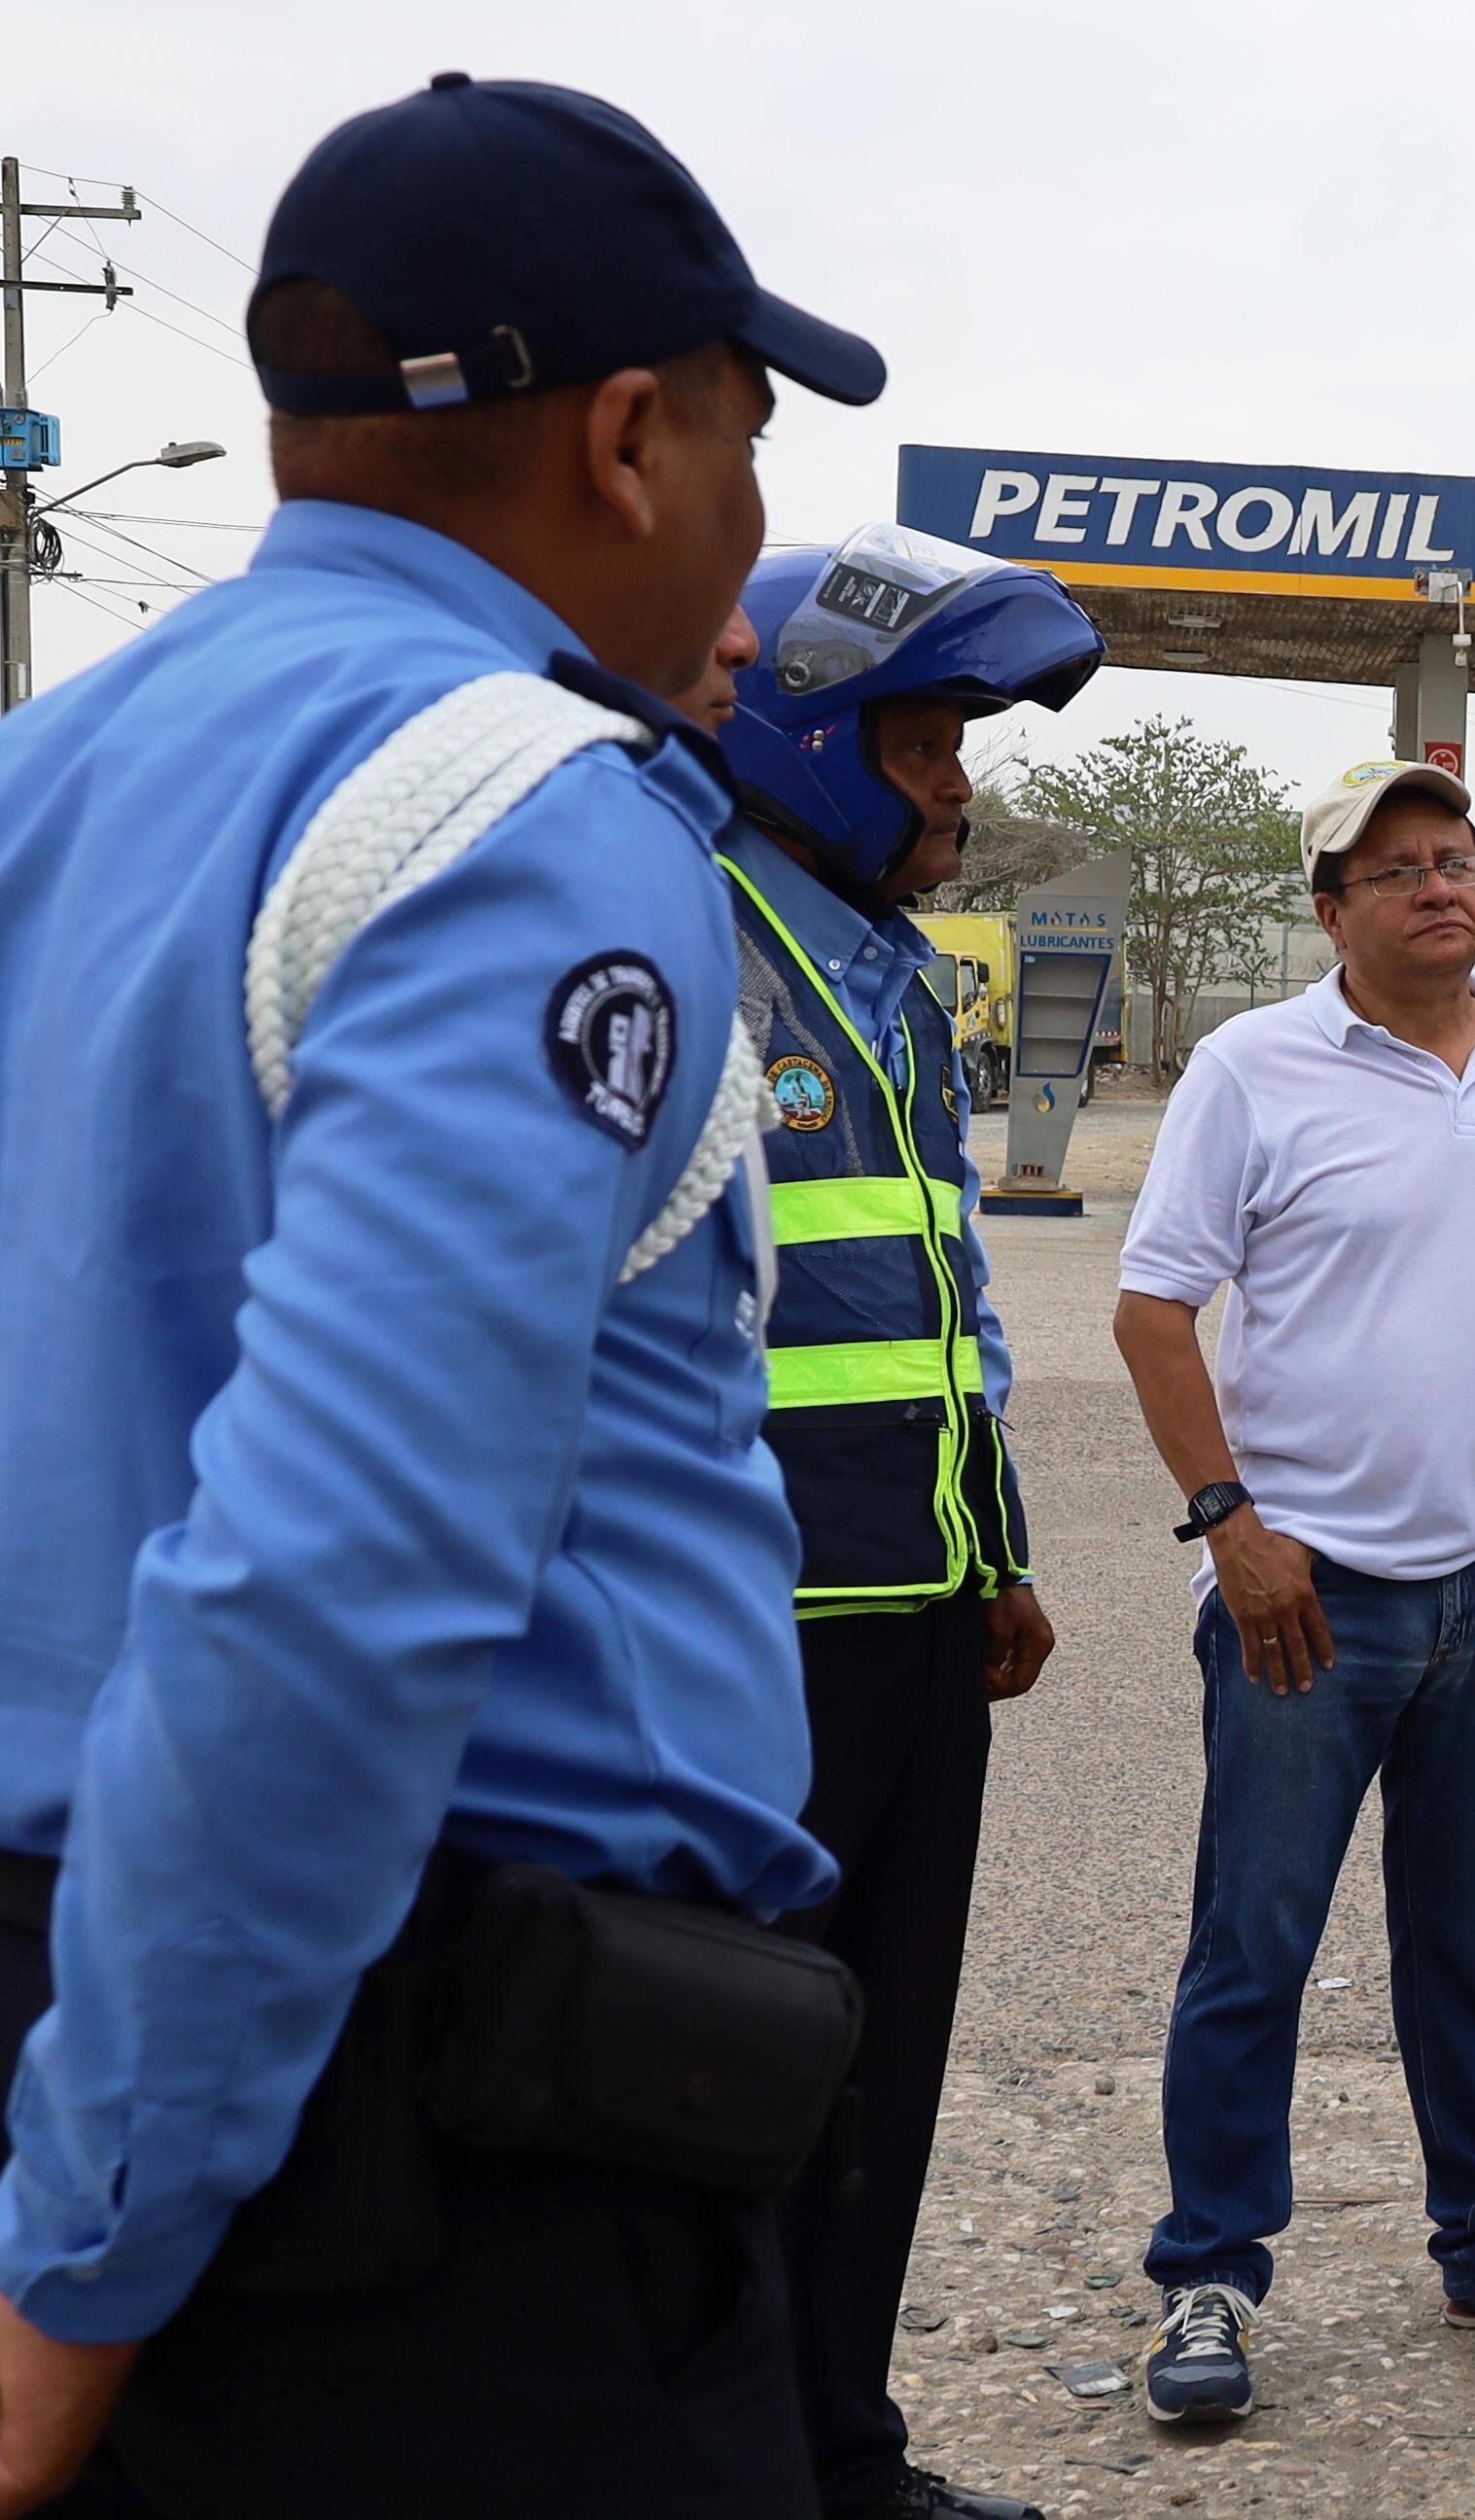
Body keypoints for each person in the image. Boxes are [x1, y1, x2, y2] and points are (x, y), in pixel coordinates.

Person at [0, 74, 887, 2520]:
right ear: (626, 437)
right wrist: (88, 2259)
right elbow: (330, 1586)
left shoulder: (55, 767)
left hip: (131, 2026)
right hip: (394, 2202)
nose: (741, 519)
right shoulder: (523, 819)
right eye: (740, 439)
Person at [1111, 759, 1475, 2425]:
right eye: (1397, 866)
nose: (1440, 886)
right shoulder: (1251, 1068)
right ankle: (1210, 2273)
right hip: (1307, 1596)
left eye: (1457, 859)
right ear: (1328, 905)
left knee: (1469, 1947)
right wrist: (1228, 1520)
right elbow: (1153, 1309)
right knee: (1253, 1944)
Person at [716, 532, 1106, 2520]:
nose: (957, 783)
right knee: (735, 2069)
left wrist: (1001, 1542)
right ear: (809, 737)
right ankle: (735, 2458)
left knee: (879, 2062)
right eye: (929, 740)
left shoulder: (867, 966)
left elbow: (927, 1303)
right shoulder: (692, 929)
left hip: (915, 1600)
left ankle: (841, 2454)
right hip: (750, 1629)